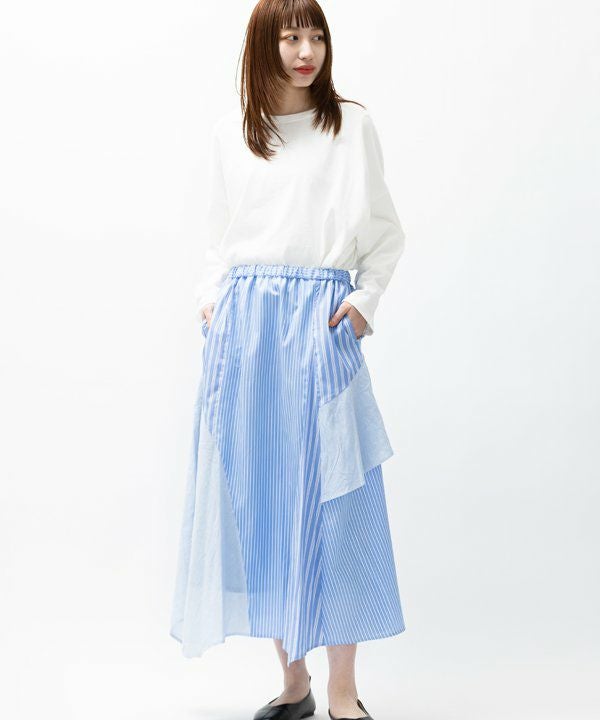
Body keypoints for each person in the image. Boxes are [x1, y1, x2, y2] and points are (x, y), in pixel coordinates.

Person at [170, 2, 407, 718]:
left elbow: (384, 231)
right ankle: (295, 683)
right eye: (291, 37)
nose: (307, 51)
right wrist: (213, 300)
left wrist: (364, 301)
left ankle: (343, 690)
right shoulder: (232, 134)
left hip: (319, 324)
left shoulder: (350, 126)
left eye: (317, 36)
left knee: (335, 504)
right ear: (261, 45)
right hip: (246, 329)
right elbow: (219, 239)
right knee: (265, 502)